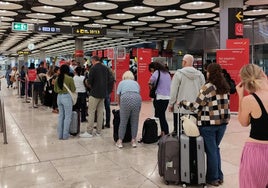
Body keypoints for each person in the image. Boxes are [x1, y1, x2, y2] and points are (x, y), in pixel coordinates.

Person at [180, 63, 230, 186]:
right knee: (215, 149)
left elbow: (195, 107)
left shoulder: (207, 87)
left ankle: (213, 178)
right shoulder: (225, 87)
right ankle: (219, 176)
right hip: (223, 124)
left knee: (212, 151)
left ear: (210, 73)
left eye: (207, 71)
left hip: (208, 124)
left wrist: (184, 102)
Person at [236, 64, 268, 188]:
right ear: (263, 74)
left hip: (255, 152)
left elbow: (243, 123)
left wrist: (240, 96)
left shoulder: (249, 100)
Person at [168, 54, 205, 134]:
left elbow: (173, 91)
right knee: (194, 132)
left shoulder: (179, 74)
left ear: (184, 62)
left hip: (180, 108)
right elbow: (203, 91)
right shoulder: (200, 75)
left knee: (179, 132)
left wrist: (171, 104)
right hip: (195, 108)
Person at [79, 56, 113, 138]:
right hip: (103, 94)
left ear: (93, 60)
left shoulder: (93, 68)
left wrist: (87, 82)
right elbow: (110, 80)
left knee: (91, 112)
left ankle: (89, 132)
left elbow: (90, 82)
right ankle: (98, 131)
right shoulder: (106, 68)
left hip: (94, 93)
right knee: (100, 112)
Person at [116, 70, 142, 148]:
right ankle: (133, 140)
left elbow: (118, 96)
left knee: (123, 121)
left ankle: (120, 141)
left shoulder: (121, 83)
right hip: (137, 98)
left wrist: (120, 105)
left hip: (125, 98)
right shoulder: (136, 83)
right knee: (135, 121)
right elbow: (138, 94)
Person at [149, 62, 171, 136]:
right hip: (167, 97)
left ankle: (165, 132)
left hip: (159, 97)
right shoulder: (167, 73)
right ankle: (163, 132)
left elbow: (150, 81)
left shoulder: (156, 72)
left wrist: (151, 86)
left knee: (162, 116)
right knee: (162, 115)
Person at [54, 64, 76, 140]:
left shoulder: (57, 78)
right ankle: (65, 135)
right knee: (67, 117)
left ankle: (60, 135)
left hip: (59, 97)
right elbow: (73, 89)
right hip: (66, 98)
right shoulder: (69, 78)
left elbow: (55, 90)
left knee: (61, 116)